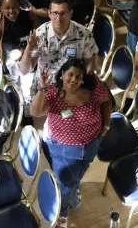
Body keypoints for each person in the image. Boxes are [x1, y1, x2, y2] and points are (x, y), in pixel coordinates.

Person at [31, 57, 113, 227]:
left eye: (78, 76)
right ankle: (61, 213)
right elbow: (36, 111)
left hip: (91, 143)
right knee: (65, 184)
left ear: (82, 78)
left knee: (79, 173)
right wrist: (42, 88)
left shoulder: (92, 88)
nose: (74, 80)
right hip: (63, 149)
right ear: (62, 74)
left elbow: (106, 101)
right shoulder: (53, 93)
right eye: (70, 75)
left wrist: (105, 126)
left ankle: (72, 193)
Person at [18, 0, 98, 103]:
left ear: (70, 14)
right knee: (37, 111)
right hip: (46, 83)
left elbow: (89, 61)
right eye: (55, 13)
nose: (59, 19)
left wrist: (85, 81)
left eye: (63, 14)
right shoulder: (41, 34)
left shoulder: (84, 34)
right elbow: (24, 70)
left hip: (71, 85)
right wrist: (28, 50)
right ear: (49, 14)